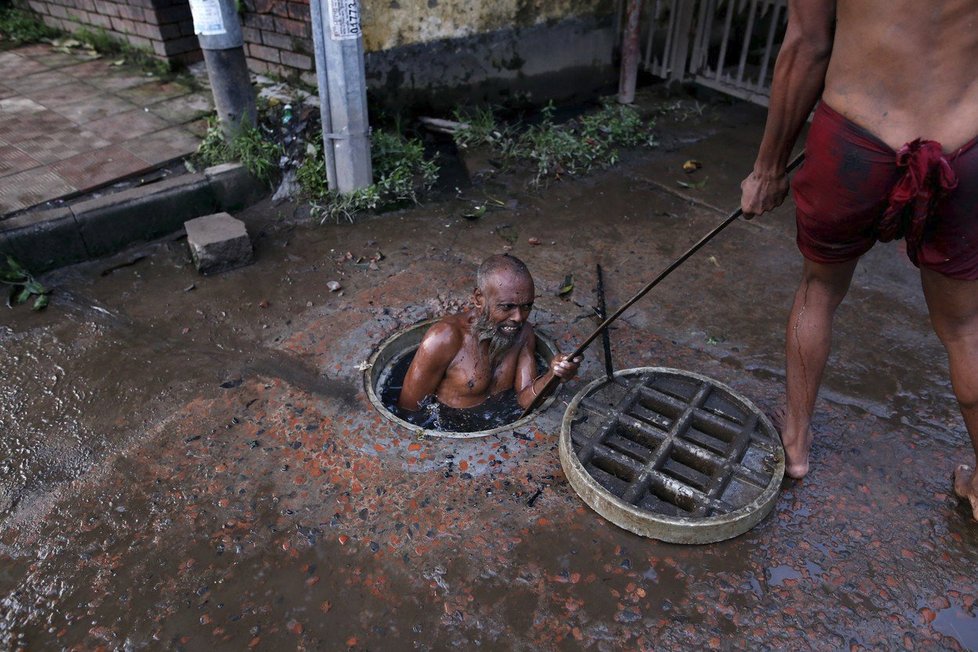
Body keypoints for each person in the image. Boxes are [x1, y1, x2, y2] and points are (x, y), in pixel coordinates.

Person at [740, 0, 978, 519]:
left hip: (856, 135)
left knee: (819, 290)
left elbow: (807, 45)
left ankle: (796, 443)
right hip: (965, 139)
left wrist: (769, 168)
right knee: (966, 327)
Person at [398, 254, 581, 413]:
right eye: (507, 307)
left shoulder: (523, 334)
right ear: (479, 299)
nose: (518, 317)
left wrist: (554, 375)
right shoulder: (444, 338)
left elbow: (525, 399)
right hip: (449, 425)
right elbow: (409, 408)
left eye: (526, 307)